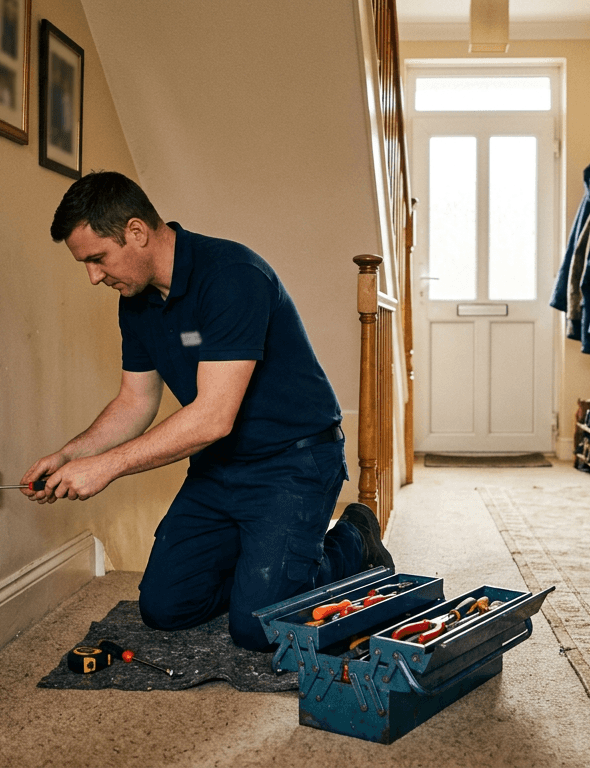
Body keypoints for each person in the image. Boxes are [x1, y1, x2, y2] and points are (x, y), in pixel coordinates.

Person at [23, 171, 393, 650]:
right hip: (218, 466)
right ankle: (264, 570)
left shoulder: (232, 276)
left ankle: (354, 538)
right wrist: (72, 456)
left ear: (136, 232)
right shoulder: (135, 302)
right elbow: (135, 401)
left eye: (97, 258)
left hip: (293, 462)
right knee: (165, 609)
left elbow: (213, 417)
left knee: (259, 629)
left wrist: (107, 467)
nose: (94, 276)